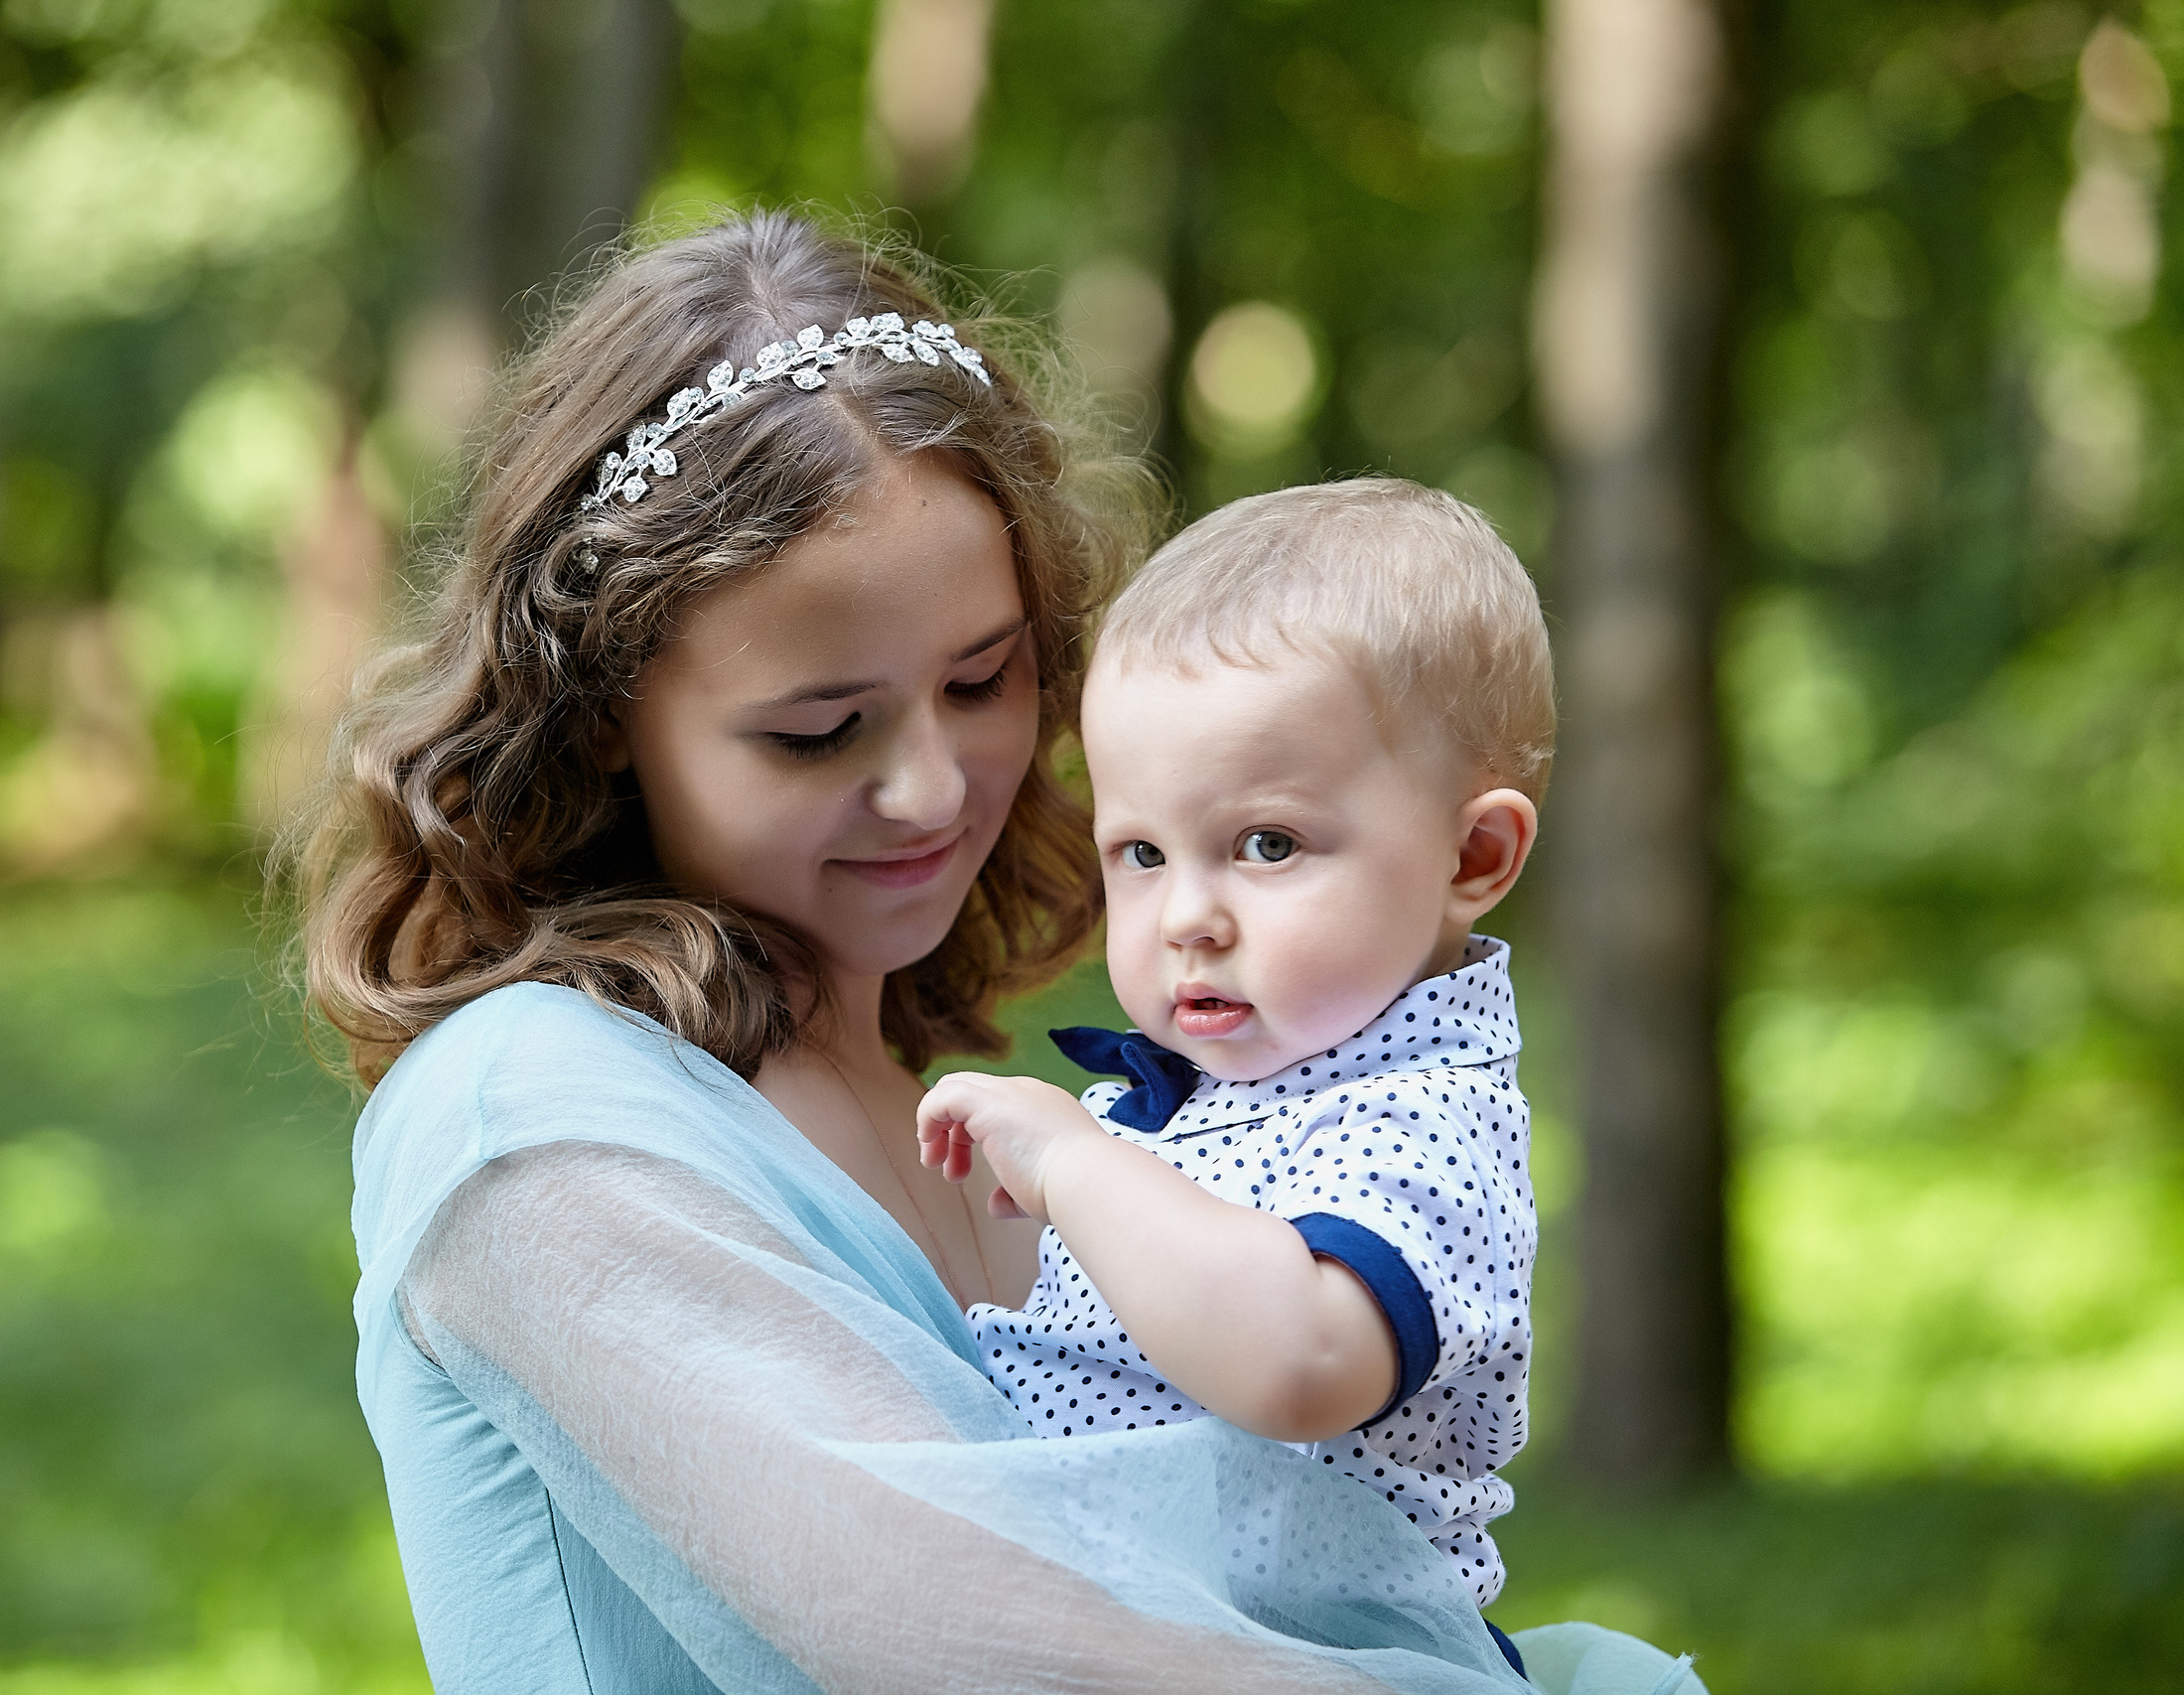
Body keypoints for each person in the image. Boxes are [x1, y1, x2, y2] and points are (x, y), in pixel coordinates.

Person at [300, 210, 1700, 1694]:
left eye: (984, 678)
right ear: (602, 721)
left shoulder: (951, 1084)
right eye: (817, 729)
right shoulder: (533, 1120)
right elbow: (1005, 1653)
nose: (931, 786)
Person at [917, 479, 1554, 1671]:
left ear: (1471, 856)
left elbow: (1295, 1361)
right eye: (1143, 854)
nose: (1187, 918)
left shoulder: (1423, 1115)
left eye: (1267, 845)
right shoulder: (1221, 1101)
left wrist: (1075, 1168)